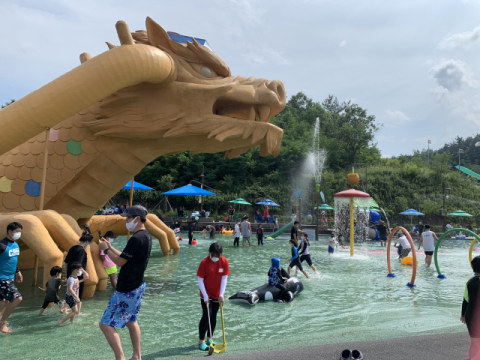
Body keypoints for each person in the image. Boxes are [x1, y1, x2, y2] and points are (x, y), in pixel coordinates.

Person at [98, 205, 152, 360]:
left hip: (127, 288)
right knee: (131, 320)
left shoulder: (136, 238)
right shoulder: (146, 235)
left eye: (128, 218)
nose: (126, 221)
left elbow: (120, 262)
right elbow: (127, 256)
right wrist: (110, 247)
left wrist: (105, 250)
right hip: (138, 285)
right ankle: (136, 356)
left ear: (136, 218)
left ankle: (120, 357)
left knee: (105, 324)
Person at [197, 242, 229, 351]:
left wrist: (222, 294)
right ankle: (201, 341)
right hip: (205, 293)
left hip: (217, 294)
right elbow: (200, 279)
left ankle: (209, 339)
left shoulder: (224, 261)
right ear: (210, 253)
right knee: (206, 315)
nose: (215, 258)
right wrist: (205, 295)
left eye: (217, 255)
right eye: (213, 255)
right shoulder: (204, 262)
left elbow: (224, 278)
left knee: (214, 316)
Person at [0, 222, 23, 333]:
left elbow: (13, 260)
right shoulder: (1, 245)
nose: (19, 233)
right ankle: (2, 323)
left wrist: (18, 272)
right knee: (17, 298)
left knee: (4, 302)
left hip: (10, 277)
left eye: (20, 231)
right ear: (9, 231)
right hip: (2, 278)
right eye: (17, 231)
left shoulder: (15, 244)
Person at [64, 231, 93, 315]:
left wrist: (68, 274)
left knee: (69, 292)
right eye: (90, 243)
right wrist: (85, 273)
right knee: (79, 293)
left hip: (71, 274)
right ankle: (78, 312)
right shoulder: (81, 251)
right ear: (87, 242)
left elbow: (66, 262)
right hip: (78, 275)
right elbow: (78, 264)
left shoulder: (72, 248)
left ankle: (65, 309)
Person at [461, 256, 480, 360]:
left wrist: (462, 314)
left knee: (474, 343)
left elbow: (465, 300)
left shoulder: (469, 282)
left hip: (471, 316)